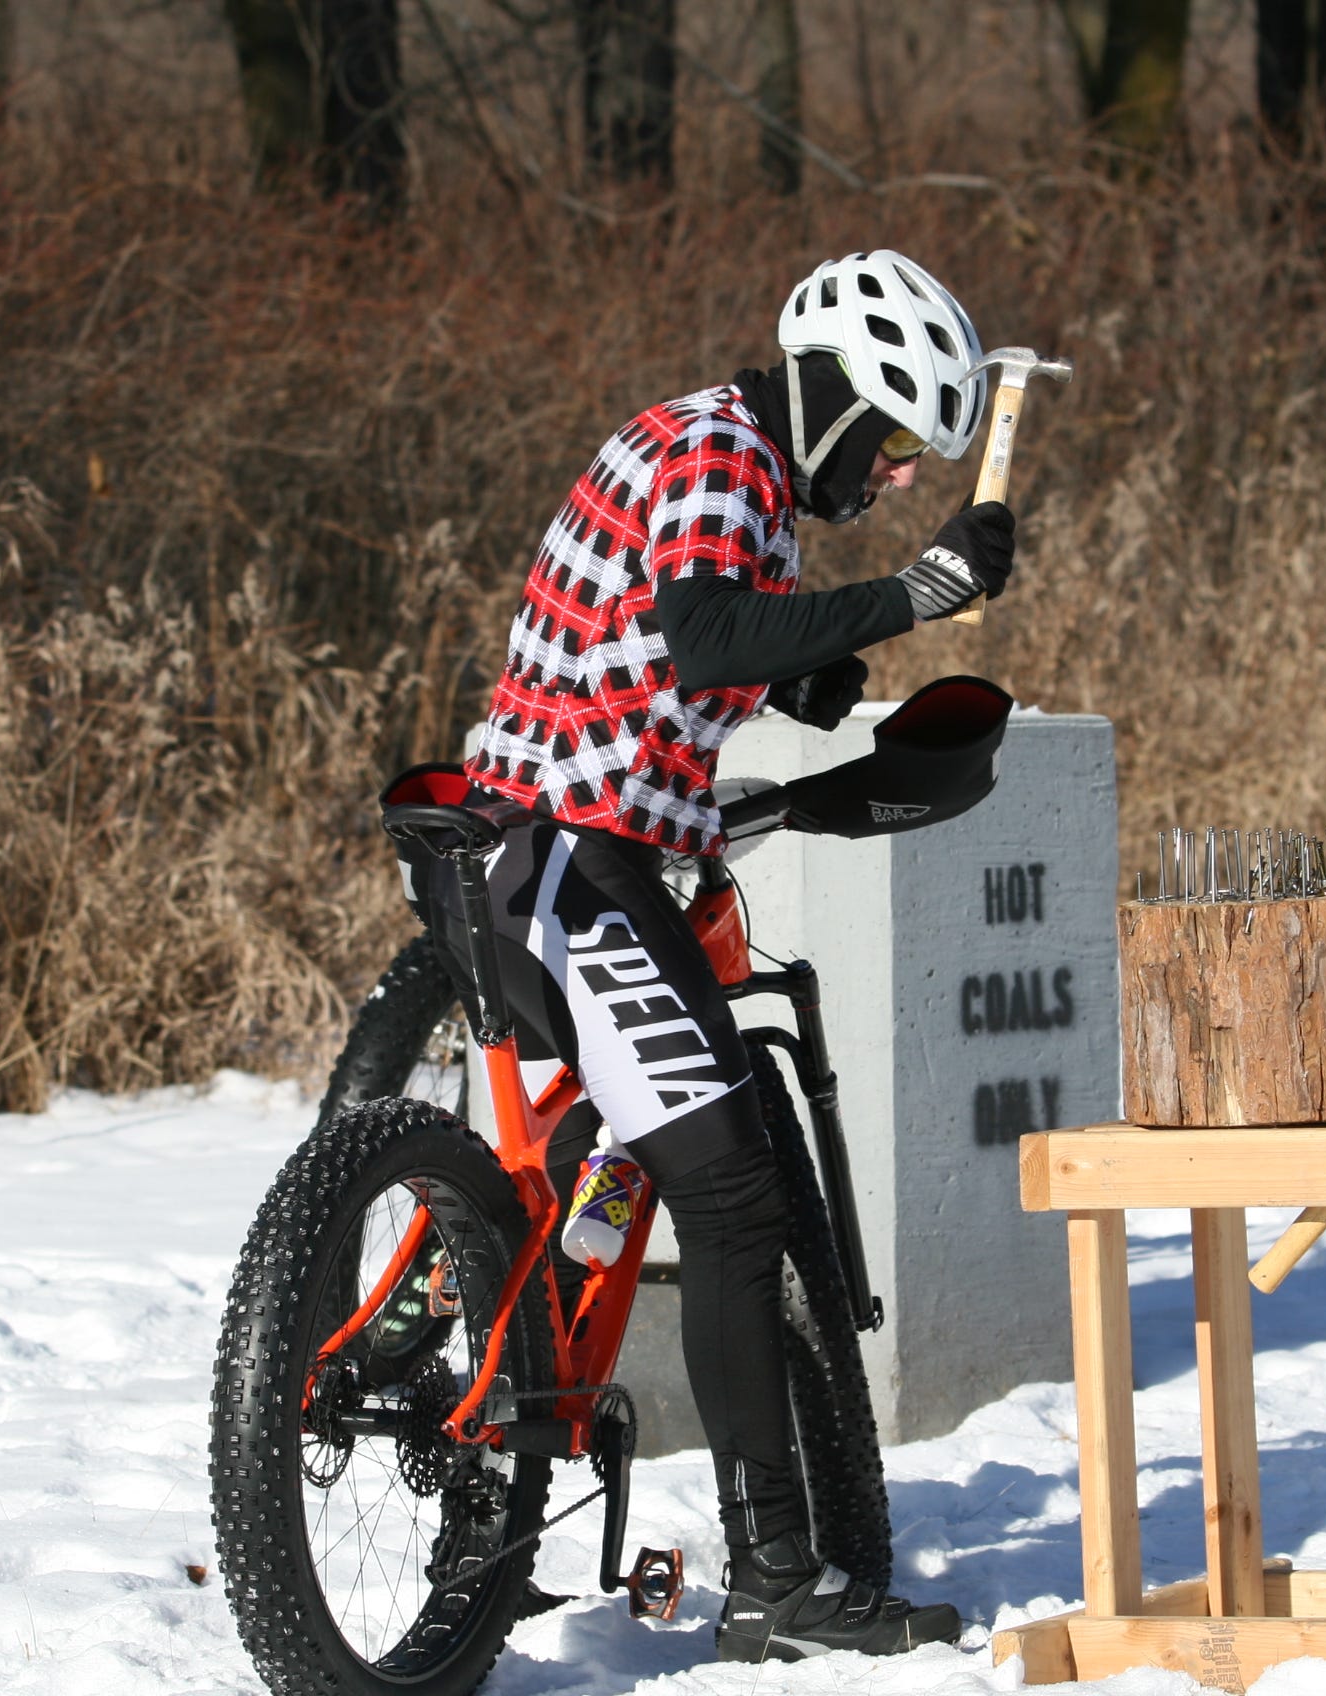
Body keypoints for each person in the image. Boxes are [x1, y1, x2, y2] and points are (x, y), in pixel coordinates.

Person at [438, 251, 1015, 1662]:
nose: (888, 477)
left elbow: (673, 644)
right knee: (739, 1199)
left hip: (541, 848)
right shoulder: (722, 453)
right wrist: (913, 591)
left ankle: (521, 1457)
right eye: (886, 444)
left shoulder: (710, 455)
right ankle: (777, 1582)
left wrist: (800, 670)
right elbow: (701, 635)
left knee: (638, 1167)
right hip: (577, 859)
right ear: (830, 398)